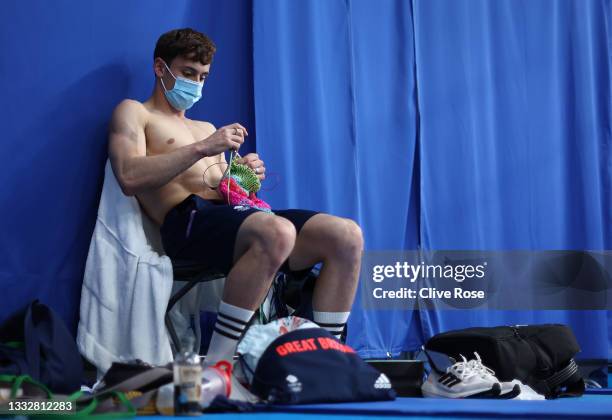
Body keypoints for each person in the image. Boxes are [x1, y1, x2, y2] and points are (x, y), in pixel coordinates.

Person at [107, 28, 363, 366]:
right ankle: (220, 365)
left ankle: (326, 364)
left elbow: (223, 191)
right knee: (277, 230)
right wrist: (203, 148)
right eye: (187, 73)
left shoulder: (205, 125)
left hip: (233, 220)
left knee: (345, 236)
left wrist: (243, 175)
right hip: (184, 222)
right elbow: (129, 176)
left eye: (202, 77)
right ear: (160, 67)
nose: (195, 84)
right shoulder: (135, 112)